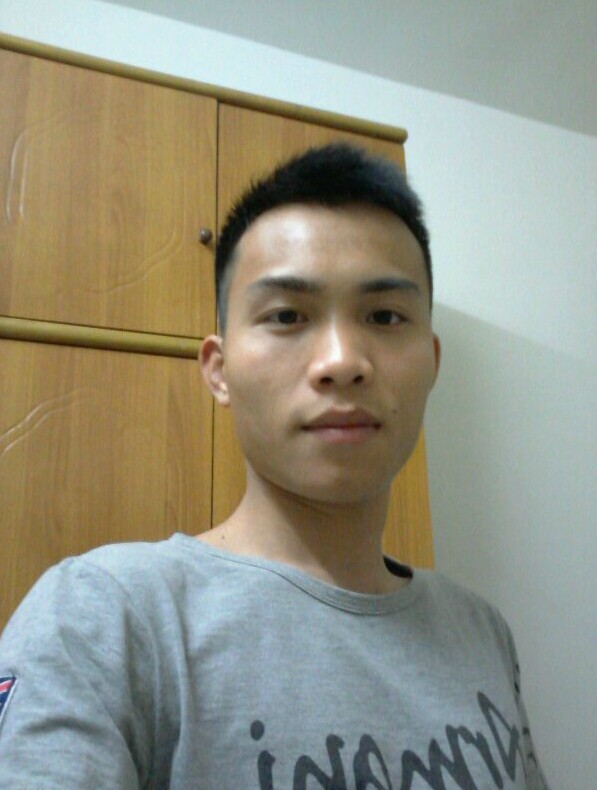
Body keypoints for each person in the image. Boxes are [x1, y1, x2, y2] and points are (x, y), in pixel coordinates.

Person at [0, 144, 549, 789]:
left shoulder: (481, 631)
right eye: (287, 316)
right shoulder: (101, 617)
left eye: (384, 316)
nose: (342, 361)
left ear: (431, 362)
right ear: (219, 369)